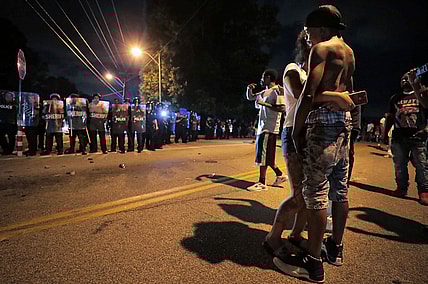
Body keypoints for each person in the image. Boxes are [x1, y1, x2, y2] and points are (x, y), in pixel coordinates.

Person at [272, 6, 355, 283]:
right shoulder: (350, 53)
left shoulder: (322, 50)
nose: (308, 37)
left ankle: (313, 261)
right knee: (339, 191)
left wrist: (296, 131)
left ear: (320, 28)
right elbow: (349, 94)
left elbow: (308, 95)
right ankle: (336, 248)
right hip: (344, 124)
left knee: (315, 192)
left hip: (322, 125)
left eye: (309, 32)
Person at [383, 69, 428, 206]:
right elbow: (390, 117)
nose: (404, 80)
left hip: (418, 135)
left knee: (422, 165)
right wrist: (385, 134)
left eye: (406, 78)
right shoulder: (395, 98)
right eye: (402, 78)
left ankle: (424, 191)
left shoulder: (421, 95)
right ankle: (401, 188)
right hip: (399, 136)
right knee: (399, 165)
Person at [245, 68, 288, 191]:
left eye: (263, 77)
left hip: (269, 127)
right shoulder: (265, 92)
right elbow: (251, 97)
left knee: (262, 156)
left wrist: (264, 104)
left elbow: (282, 108)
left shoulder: (278, 91)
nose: (261, 79)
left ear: (269, 77)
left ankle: (261, 183)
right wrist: (249, 89)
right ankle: (280, 175)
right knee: (268, 157)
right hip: (262, 127)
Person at [0, 91, 17, 155]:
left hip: (11, 122)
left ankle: (10, 150)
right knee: (1, 135)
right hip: (3, 122)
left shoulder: (15, 104)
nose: (8, 98)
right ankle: (6, 149)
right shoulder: (2, 103)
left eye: (10, 96)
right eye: (7, 96)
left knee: (11, 137)